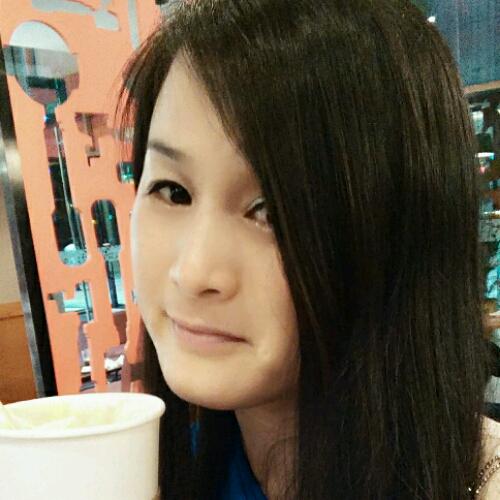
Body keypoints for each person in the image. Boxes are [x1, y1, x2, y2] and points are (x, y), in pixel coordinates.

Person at [115, 0, 500, 498]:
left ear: (399, 232)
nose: (193, 272)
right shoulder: (154, 474)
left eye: (272, 211)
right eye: (173, 191)